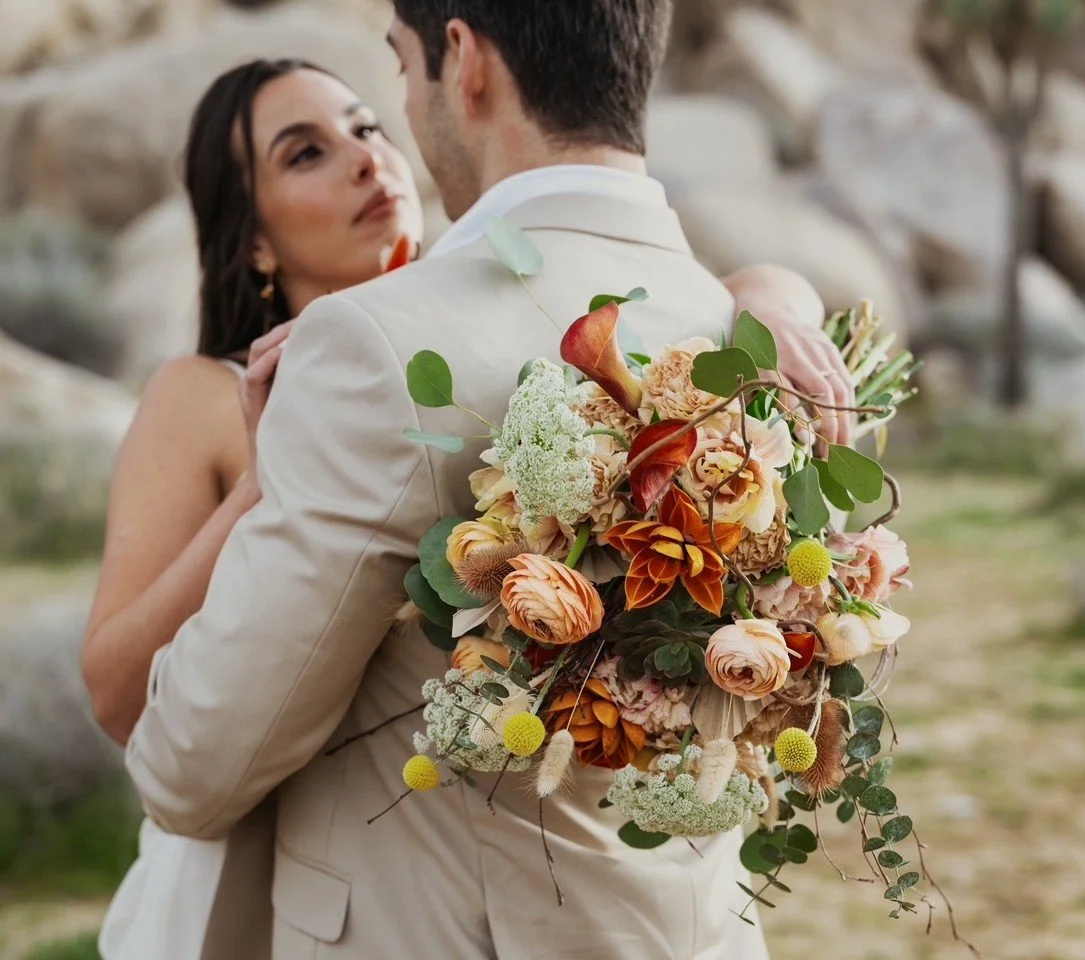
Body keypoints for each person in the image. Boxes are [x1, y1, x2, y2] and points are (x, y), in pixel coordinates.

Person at [120, 4, 862, 958]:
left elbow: (195, 767)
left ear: (461, 61)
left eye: (399, 71)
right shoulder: (754, 340)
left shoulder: (376, 348)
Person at [83, 59, 426, 960]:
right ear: (256, 246)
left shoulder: (487, 359)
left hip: (443, 878)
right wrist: (261, 485)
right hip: (252, 890)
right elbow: (116, 693)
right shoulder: (201, 396)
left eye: (366, 127)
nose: (364, 160)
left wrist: (768, 298)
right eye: (306, 152)